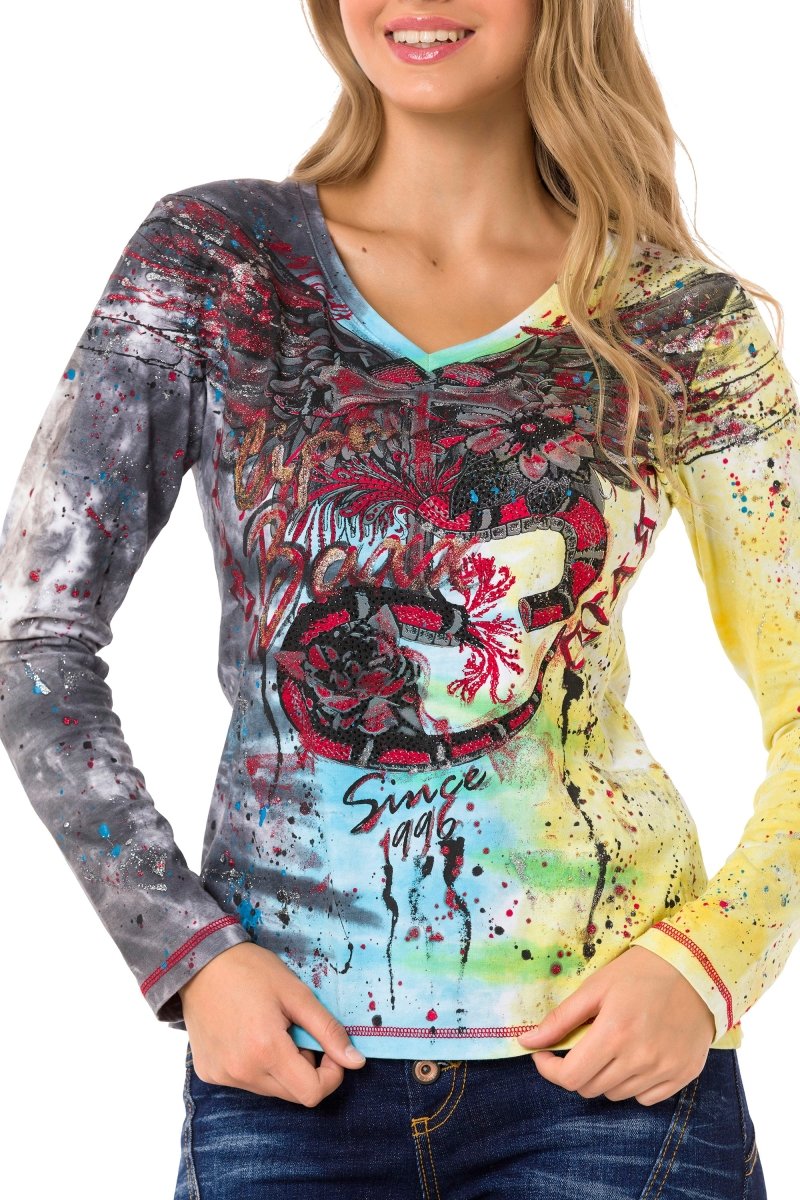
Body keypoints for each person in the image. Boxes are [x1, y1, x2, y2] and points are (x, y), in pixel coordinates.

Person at [0, 0, 792, 1195]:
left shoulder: (678, 321)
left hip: (608, 1077)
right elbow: (34, 641)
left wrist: (706, 963)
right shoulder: (216, 262)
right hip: (288, 1068)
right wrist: (189, 955)